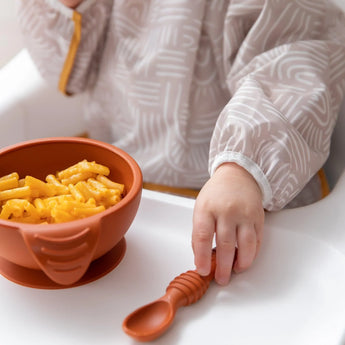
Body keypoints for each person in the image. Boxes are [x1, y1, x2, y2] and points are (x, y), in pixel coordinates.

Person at [16, 0, 345, 286]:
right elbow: (71, 71)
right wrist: (70, 7)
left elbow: (293, 64)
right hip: (116, 177)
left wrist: (240, 169)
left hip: (243, 186)